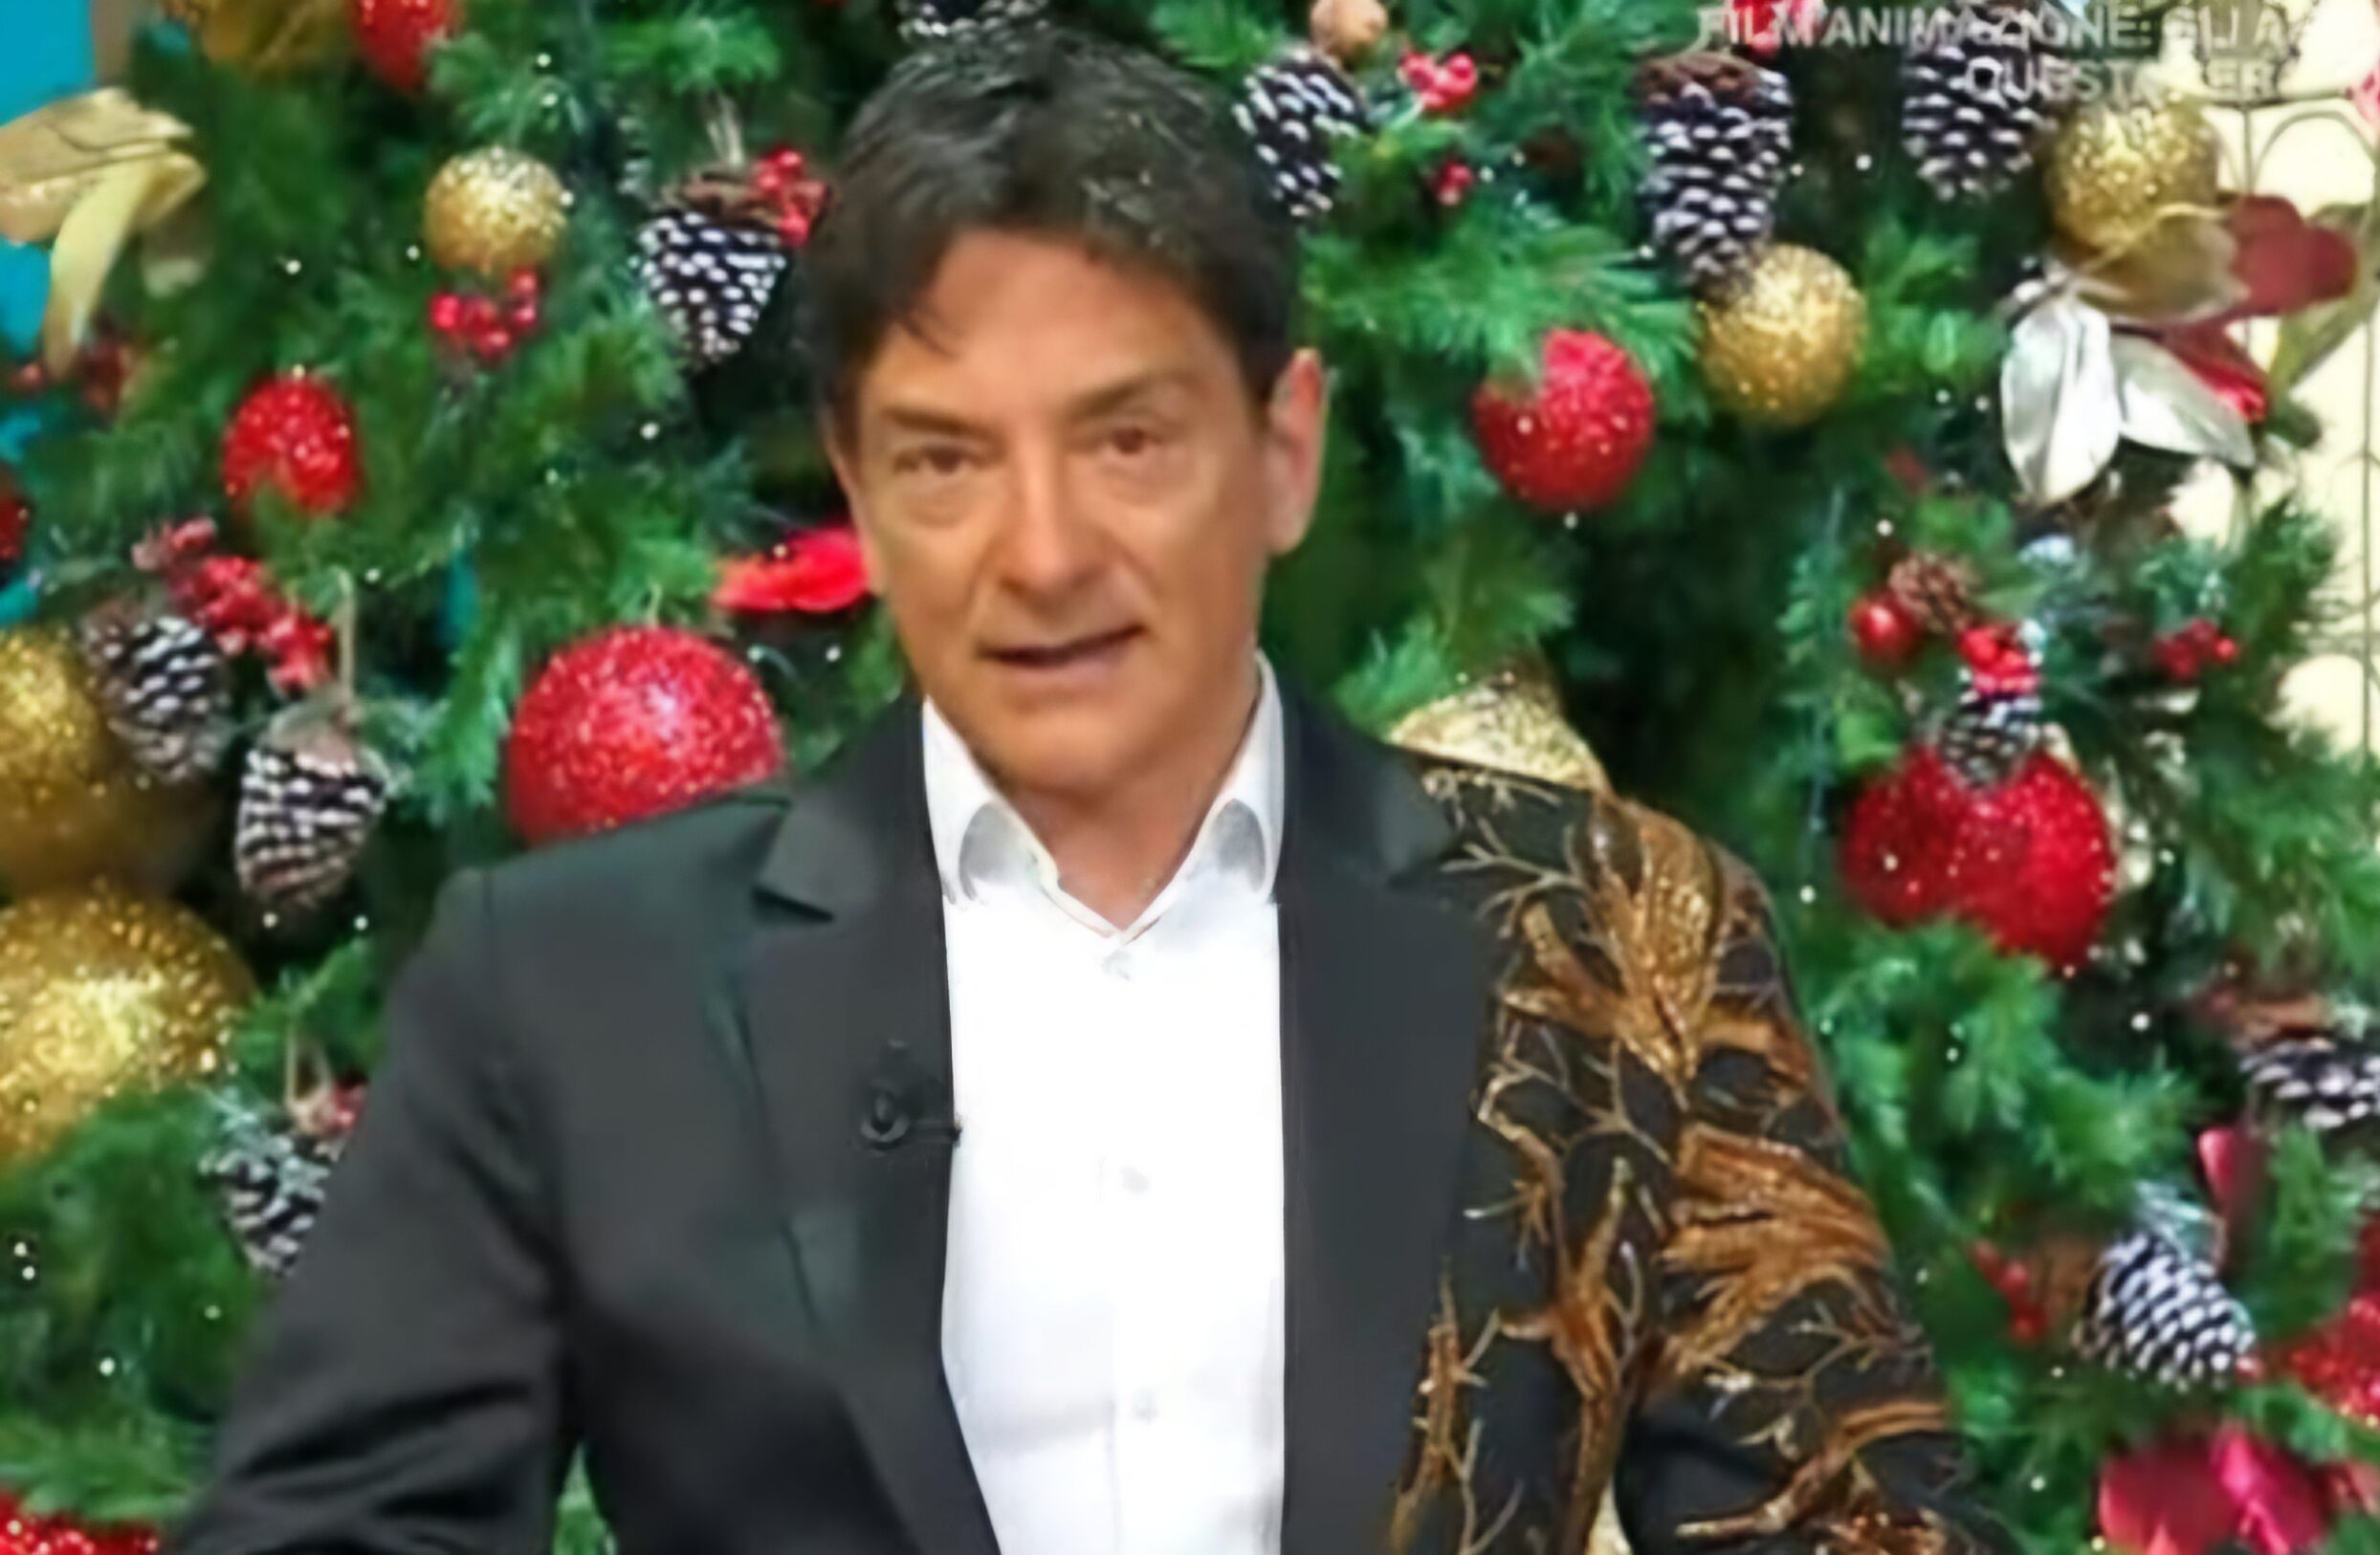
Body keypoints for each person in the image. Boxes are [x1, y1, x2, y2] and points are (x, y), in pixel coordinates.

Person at [167, 23, 2001, 1555]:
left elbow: (1860, 1523)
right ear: (859, 492)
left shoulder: (1620, 939)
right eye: (946, 461)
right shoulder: (577, 984)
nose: (1041, 554)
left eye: (1127, 440)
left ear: (1280, 451)